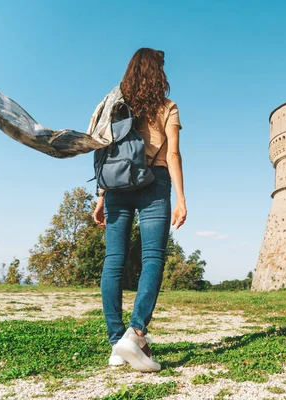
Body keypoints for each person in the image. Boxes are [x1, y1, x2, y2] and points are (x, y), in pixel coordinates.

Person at [93, 48, 187, 372]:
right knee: (153, 258)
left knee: (114, 261)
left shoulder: (117, 106)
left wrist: (102, 195)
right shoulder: (167, 108)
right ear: (158, 74)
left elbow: (106, 151)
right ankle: (135, 334)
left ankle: (116, 342)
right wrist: (182, 199)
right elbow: (173, 155)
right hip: (154, 184)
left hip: (117, 186)